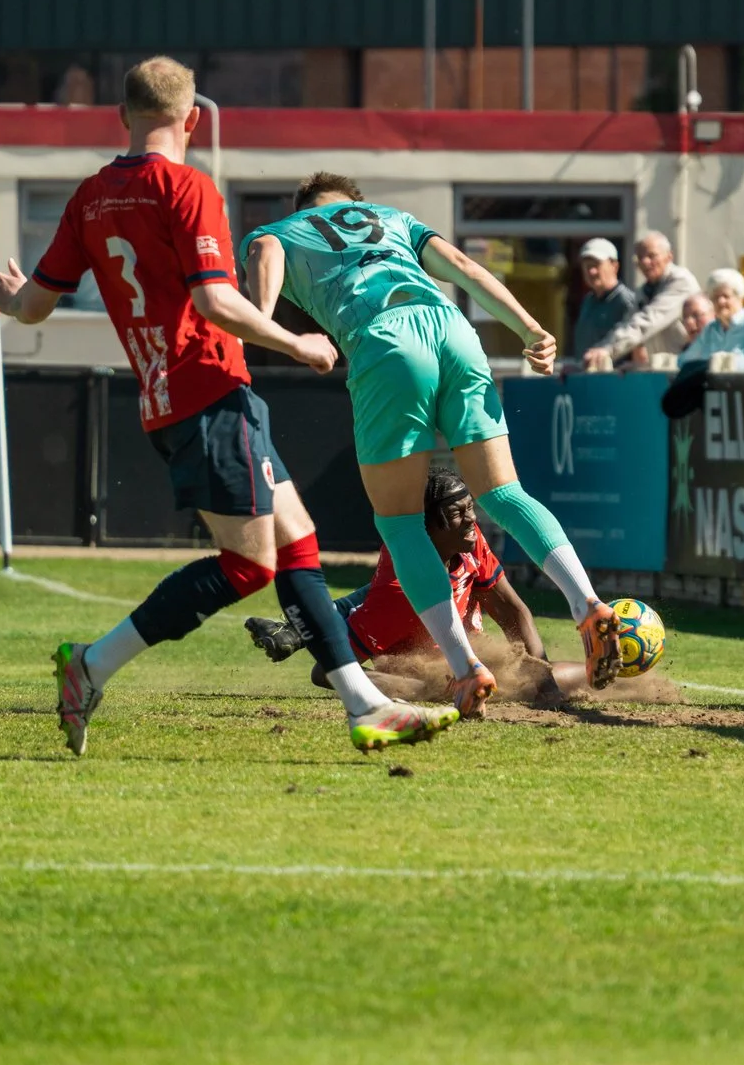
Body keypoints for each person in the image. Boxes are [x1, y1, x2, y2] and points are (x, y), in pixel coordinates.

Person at [0, 57, 455, 757]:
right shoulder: (187, 185)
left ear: (122, 115)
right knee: (248, 566)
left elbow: (33, 306)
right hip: (209, 391)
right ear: (193, 119)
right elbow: (214, 301)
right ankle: (90, 663)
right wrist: (298, 343)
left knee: (297, 539)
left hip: (169, 397)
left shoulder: (89, 197)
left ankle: (363, 703)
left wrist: (8, 298)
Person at [246, 171, 636, 713]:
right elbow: (468, 270)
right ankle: (587, 601)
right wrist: (530, 330)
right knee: (504, 493)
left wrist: (274, 334)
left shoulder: (279, 231)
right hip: (454, 330)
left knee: (401, 524)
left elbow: (262, 270)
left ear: (305, 207)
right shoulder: (394, 220)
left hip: (386, 341)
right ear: (357, 205)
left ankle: (463, 667)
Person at [246, 468, 596, 706]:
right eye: (458, 513)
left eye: (471, 507)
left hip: (465, 657)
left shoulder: (471, 544)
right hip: (430, 664)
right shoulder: (398, 594)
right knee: (508, 685)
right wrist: (421, 691)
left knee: (544, 679)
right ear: (428, 527)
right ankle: (302, 626)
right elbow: (326, 672)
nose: (473, 519)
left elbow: (513, 612)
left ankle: (626, 672)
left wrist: (544, 676)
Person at [585, 231, 696, 368]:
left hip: (684, 368)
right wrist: (599, 350)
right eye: (640, 257)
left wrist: (607, 350)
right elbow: (627, 324)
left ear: (669, 256)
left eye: (652, 256)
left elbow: (648, 320)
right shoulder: (643, 291)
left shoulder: (681, 281)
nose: (645, 262)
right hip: (659, 371)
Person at [568, 237, 640, 370]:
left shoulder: (626, 301)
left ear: (615, 266)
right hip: (586, 380)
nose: (591, 271)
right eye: (587, 266)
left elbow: (637, 347)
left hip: (615, 383)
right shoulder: (588, 301)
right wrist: (576, 367)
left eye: (596, 265)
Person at [681, 267, 744, 367]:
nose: (720, 301)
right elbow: (686, 360)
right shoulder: (710, 330)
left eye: (726, 296)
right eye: (716, 297)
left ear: (740, 298)